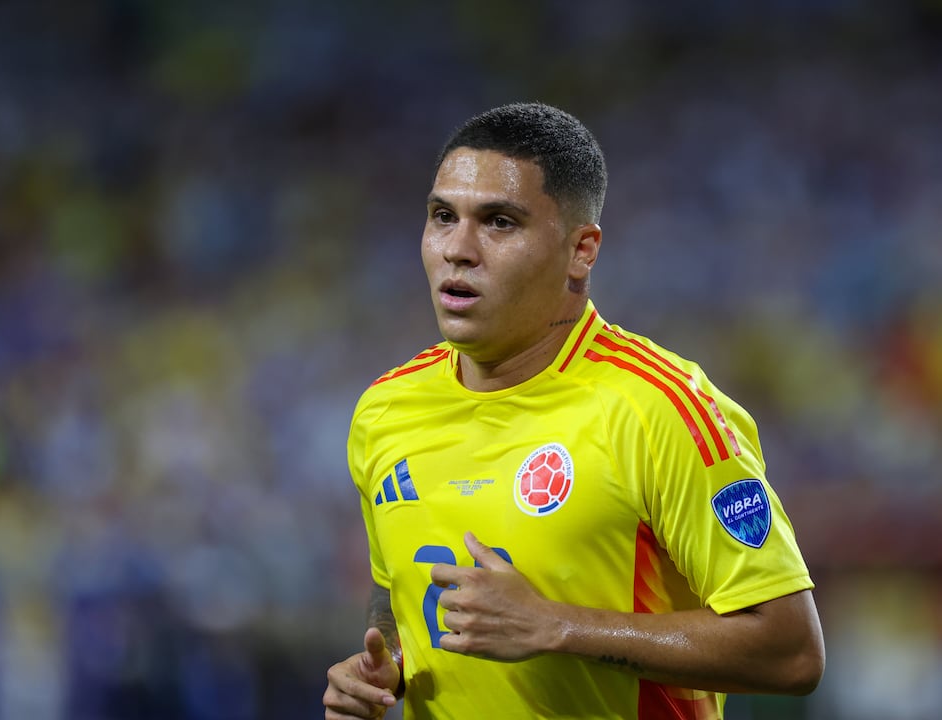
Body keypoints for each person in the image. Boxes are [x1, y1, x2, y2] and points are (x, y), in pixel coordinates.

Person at [323, 102, 824, 719]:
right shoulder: (385, 409)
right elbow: (393, 587)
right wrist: (386, 664)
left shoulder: (660, 408)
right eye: (442, 216)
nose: (458, 248)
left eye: (499, 222)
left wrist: (558, 626)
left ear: (581, 251)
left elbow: (791, 651)